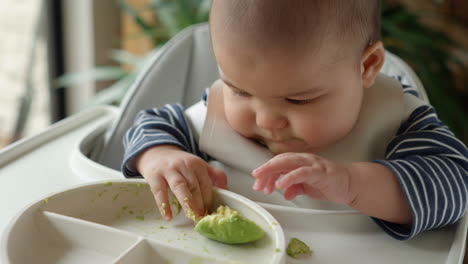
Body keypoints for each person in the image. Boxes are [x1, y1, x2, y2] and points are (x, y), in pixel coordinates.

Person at [122, 0, 468, 240]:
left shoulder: (398, 122)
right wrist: (161, 156)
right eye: (240, 91)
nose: (266, 119)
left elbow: (455, 184)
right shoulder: (217, 115)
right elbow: (151, 124)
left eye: (297, 99)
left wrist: (353, 184)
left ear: (367, 67)